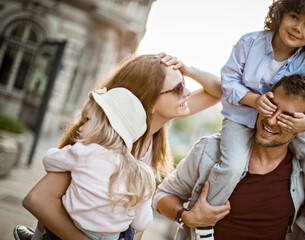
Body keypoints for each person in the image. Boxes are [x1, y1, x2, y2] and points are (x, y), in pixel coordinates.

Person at [14, 53, 222, 240]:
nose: (186, 92)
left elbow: (219, 91)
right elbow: (38, 200)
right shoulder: (102, 141)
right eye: (177, 88)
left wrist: (188, 70)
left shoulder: (160, 122)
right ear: (150, 102)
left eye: (184, 84)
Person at [203, 1, 305, 236]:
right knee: (232, 165)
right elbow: (229, 81)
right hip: (242, 119)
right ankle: (205, 220)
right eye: (294, 17)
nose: (298, 28)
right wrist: (254, 100)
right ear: (281, 14)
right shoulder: (249, 42)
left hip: (283, 125)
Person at [154, 74, 305, 240]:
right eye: (271, 107)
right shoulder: (210, 151)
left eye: (287, 117)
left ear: (302, 128)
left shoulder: (304, 170)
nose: (272, 120)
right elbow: (163, 195)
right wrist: (185, 216)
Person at [30, 87, 155, 240]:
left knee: (50, 215)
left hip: (72, 230)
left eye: (87, 120)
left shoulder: (85, 152)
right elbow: (141, 223)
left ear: (106, 125)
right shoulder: (143, 174)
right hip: (114, 237)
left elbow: (48, 161)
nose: (80, 128)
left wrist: (62, 152)